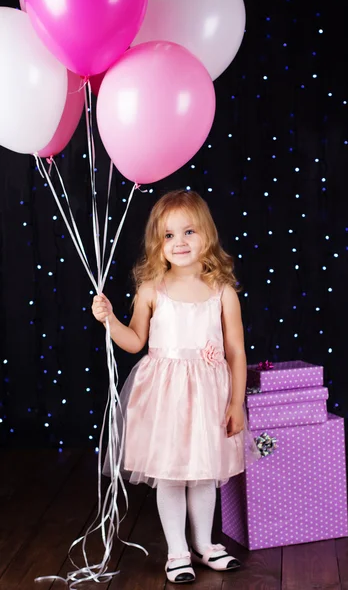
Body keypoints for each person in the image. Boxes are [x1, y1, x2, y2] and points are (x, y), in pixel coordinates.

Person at [92, 189, 256, 584]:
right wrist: (110, 320)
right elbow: (135, 341)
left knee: (203, 473)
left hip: (208, 398)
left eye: (188, 232)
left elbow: (235, 350)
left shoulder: (222, 290)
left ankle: (205, 544)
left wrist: (236, 402)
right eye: (168, 235)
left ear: (207, 235)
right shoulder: (152, 288)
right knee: (169, 475)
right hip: (164, 397)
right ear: (157, 243)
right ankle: (177, 551)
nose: (179, 242)